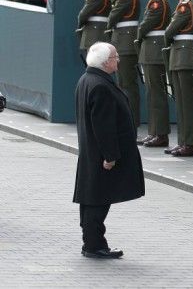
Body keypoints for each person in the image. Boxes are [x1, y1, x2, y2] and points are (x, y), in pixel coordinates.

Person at [73, 42, 145, 259]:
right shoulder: (100, 86)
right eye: (115, 56)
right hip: (101, 155)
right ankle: (94, 244)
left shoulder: (88, 80)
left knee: (93, 197)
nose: (118, 60)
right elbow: (104, 127)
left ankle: (93, 241)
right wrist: (110, 156)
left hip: (91, 153)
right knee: (98, 199)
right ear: (105, 62)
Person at [163, 0, 193, 157]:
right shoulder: (184, 4)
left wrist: (168, 34)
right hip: (180, 54)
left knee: (187, 102)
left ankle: (189, 143)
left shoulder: (187, 5)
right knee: (182, 102)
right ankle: (183, 141)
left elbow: (170, 30)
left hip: (185, 55)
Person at [101, 0, 141, 126]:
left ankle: (131, 122)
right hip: (122, 41)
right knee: (123, 84)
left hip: (126, 42)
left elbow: (113, 17)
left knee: (127, 85)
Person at [135, 0, 171, 148]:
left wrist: (138, 36)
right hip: (150, 50)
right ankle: (154, 131)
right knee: (152, 94)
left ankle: (160, 133)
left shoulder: (158, 2)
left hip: (154, 51)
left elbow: (146, 25)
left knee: (157, 94)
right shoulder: (154, 0)